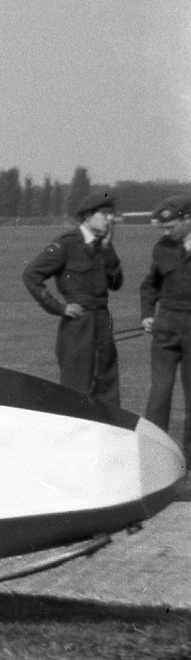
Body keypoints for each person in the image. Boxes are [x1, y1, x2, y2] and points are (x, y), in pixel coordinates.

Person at [22, 190, 123, 405]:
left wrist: (107, 250)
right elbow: (31, 274)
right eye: (105, 213)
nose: (111, 219)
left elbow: (116, 284)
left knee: (107, 385)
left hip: (103, 320)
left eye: (112, 214)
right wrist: (59, 308)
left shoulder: (103, 245)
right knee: (76, 388)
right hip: (79, 324)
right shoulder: (68, 244)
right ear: (88, 216)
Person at [140, 193, 191, 463]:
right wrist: (147, 314)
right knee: (159, 394)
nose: (166, 232)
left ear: (188, 219)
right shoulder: (163, 247)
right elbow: (150, 284)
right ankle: (154, 458)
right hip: (166, 326)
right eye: (162, 228)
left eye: (170, 227)